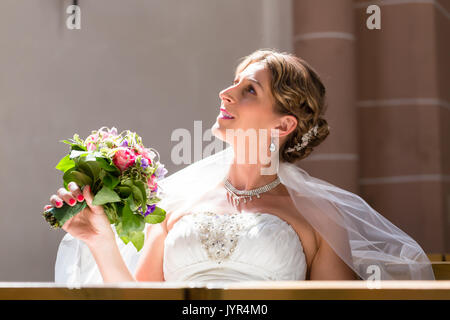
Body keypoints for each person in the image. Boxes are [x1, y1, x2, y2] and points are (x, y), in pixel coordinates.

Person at [48, 49, 434, 284]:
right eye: (234, 83)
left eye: (249, 89)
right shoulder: (175, 206)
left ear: (283, 125)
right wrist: (100, 240)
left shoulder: (319, 219)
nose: (226, 93)